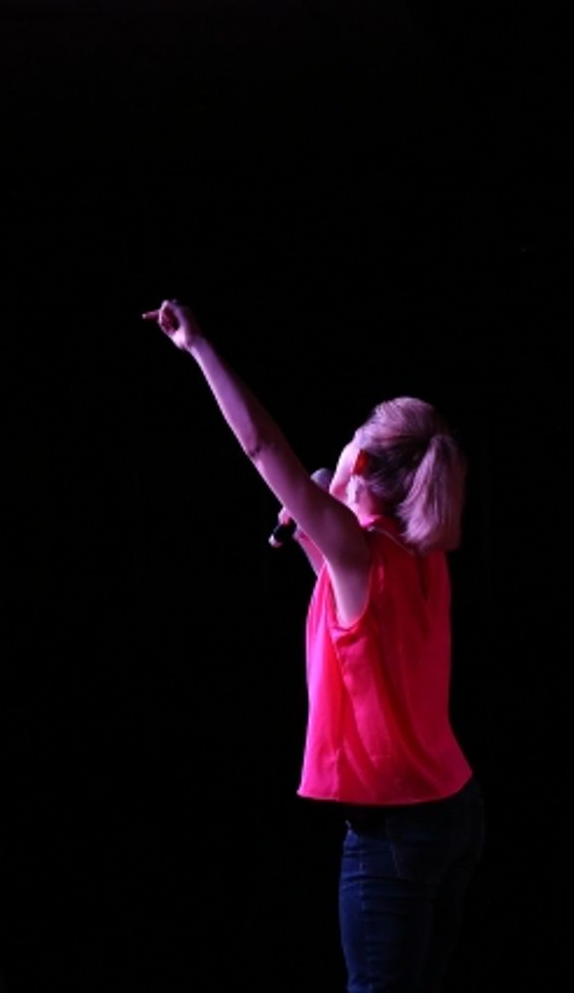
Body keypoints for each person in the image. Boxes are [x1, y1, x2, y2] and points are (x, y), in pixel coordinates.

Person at [142, 297, 485, 993]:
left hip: (395, 836)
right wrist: (313, 515)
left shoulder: (361, 556)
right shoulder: (418, 553)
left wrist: (198, 347)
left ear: (358, 457)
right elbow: (348, 611)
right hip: (455, 814)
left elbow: (264, 448)